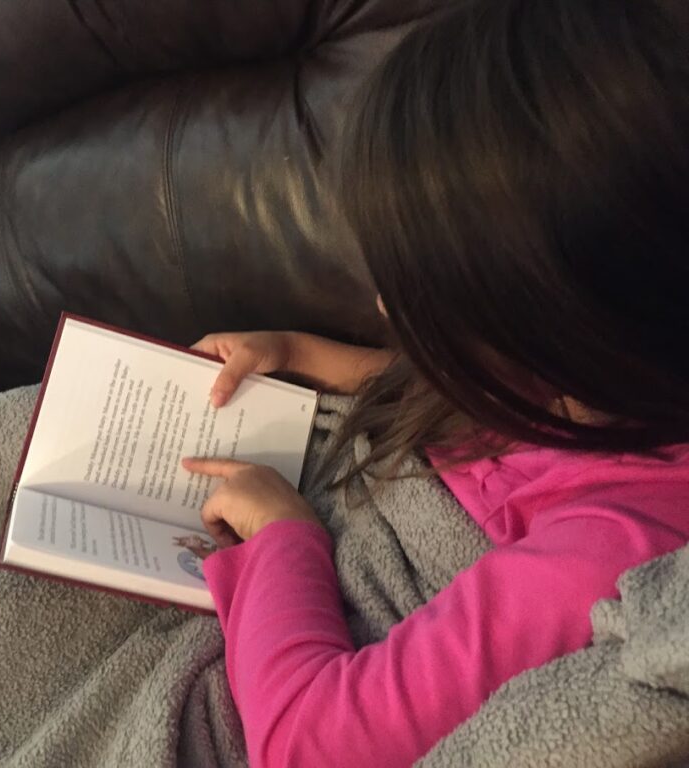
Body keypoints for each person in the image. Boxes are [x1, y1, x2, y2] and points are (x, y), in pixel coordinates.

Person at [180, 0, 689, 764]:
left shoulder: (605, 551)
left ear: (555, 319)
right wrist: (297, 349)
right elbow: (469, 395)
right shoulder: (607, 381)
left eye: (416, 291)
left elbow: (304, 744)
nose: (385, 308)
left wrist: (285, 535)